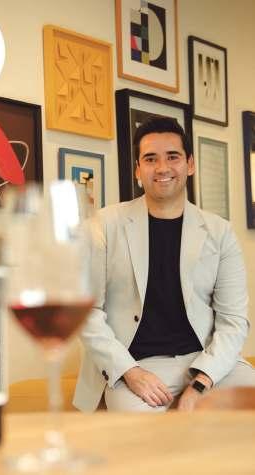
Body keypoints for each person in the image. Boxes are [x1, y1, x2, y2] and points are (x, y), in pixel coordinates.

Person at [73, 117, 255, 412]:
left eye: (173, 157)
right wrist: (131, 372)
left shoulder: (220, 232)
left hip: (207, 361)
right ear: (137, 169)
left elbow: (233, 320)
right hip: (137, 365)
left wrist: (201, 383)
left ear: (190, 164)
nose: (162, 168)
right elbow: (86, 311)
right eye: (150, 159)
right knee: (138, 424)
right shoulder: (104, 225)